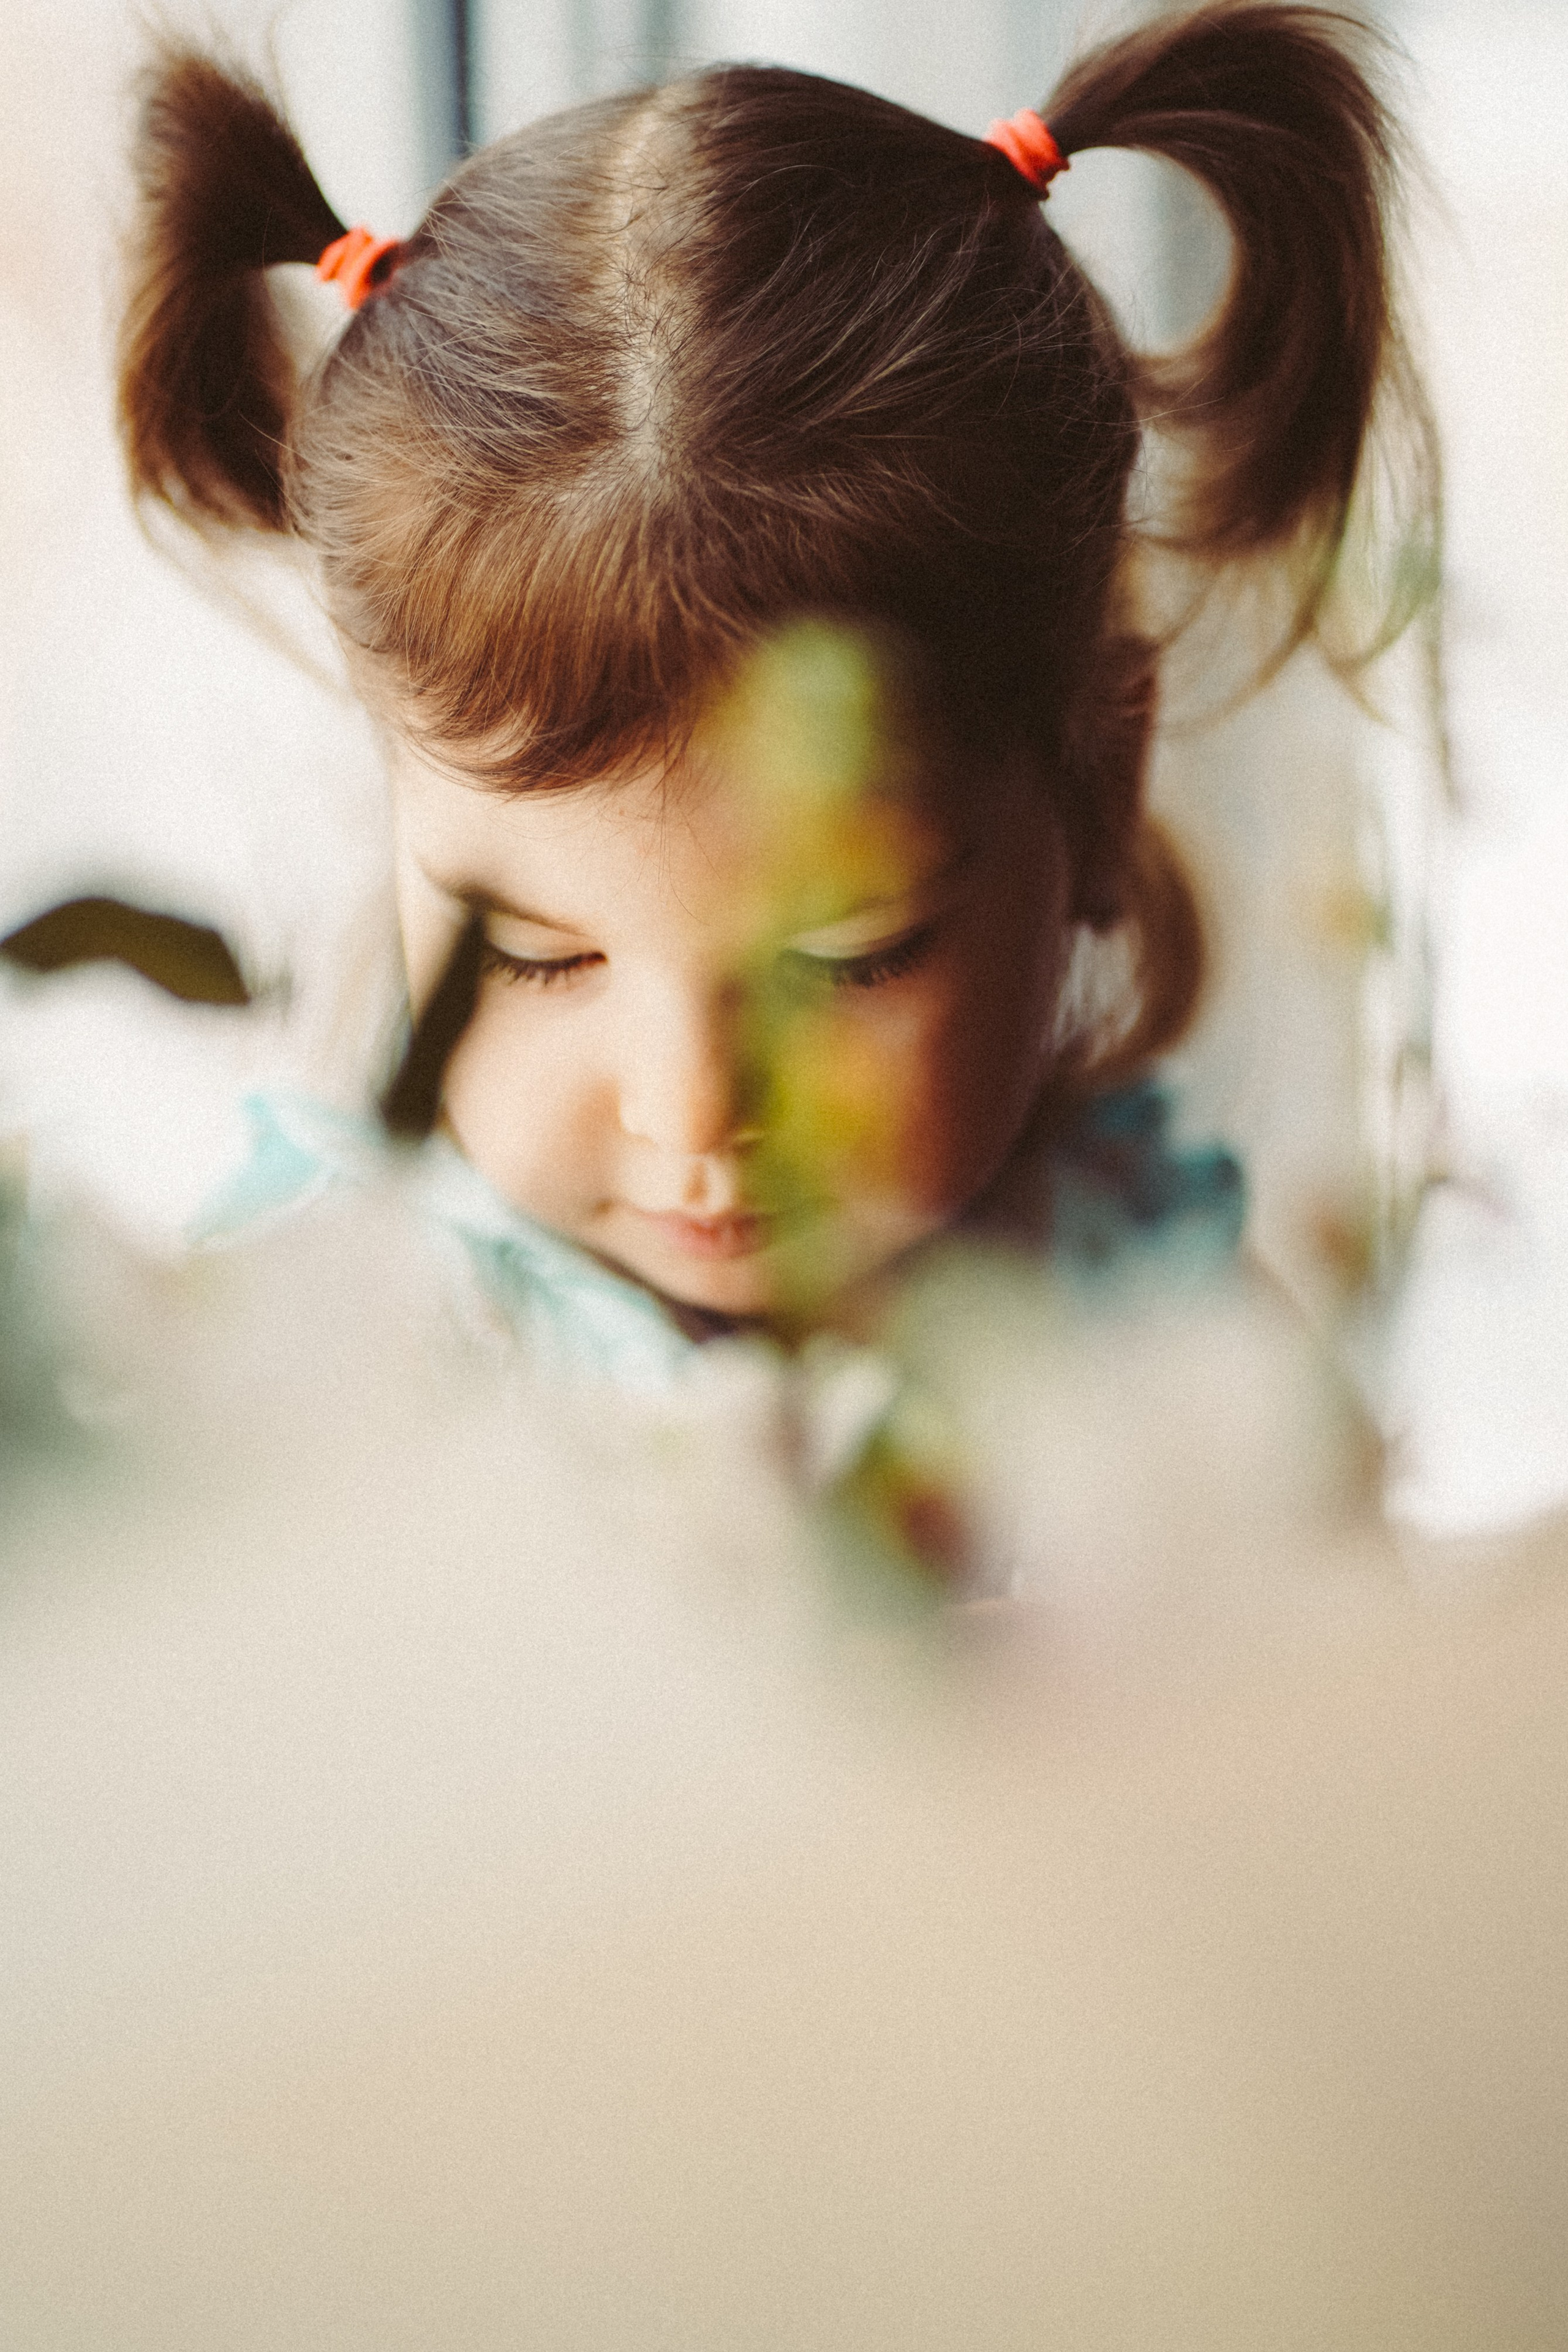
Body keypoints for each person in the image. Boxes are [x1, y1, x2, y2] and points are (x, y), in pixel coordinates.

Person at [111, 3, 1433, 1570]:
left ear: (1097, 780)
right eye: (535, 955)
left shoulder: (1164, 1330)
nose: (696, 1107)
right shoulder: (338, 1359)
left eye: (844, 956)